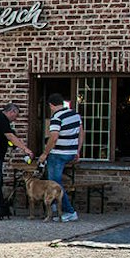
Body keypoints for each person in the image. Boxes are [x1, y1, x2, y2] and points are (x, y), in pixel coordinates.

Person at [40, 91, 82, 222]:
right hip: (70, 152)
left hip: (58, 154)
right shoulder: (75, 114)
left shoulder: (56, 117)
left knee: (55, 184)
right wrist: (77, 150)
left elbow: (53, 137)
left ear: (51, 105)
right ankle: (53, 206)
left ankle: (69, 211)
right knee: (54, 181)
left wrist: (45, 153)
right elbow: (82, 133)